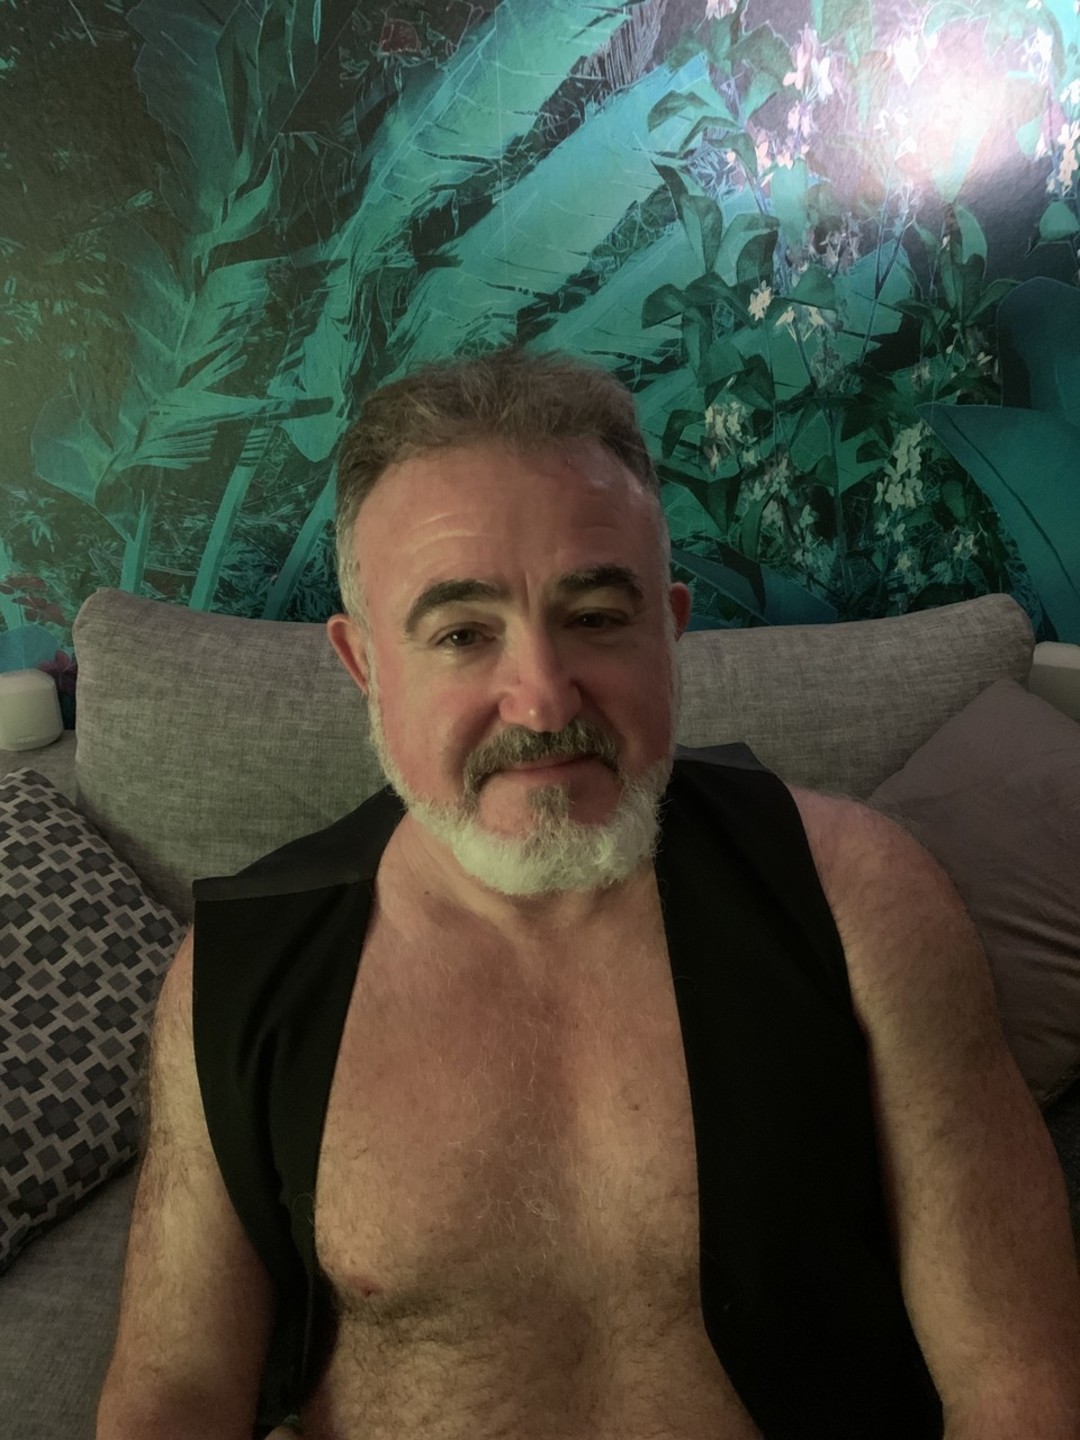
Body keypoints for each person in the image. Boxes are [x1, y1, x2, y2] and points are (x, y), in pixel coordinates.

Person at [97, 348, 1080, 1440]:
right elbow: (174, 1392)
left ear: (670, 628)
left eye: (598, 617)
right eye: (463, 634)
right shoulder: (239, 977)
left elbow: (1018, 1378)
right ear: (364, 665)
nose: (544, 700)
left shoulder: (864, 903)